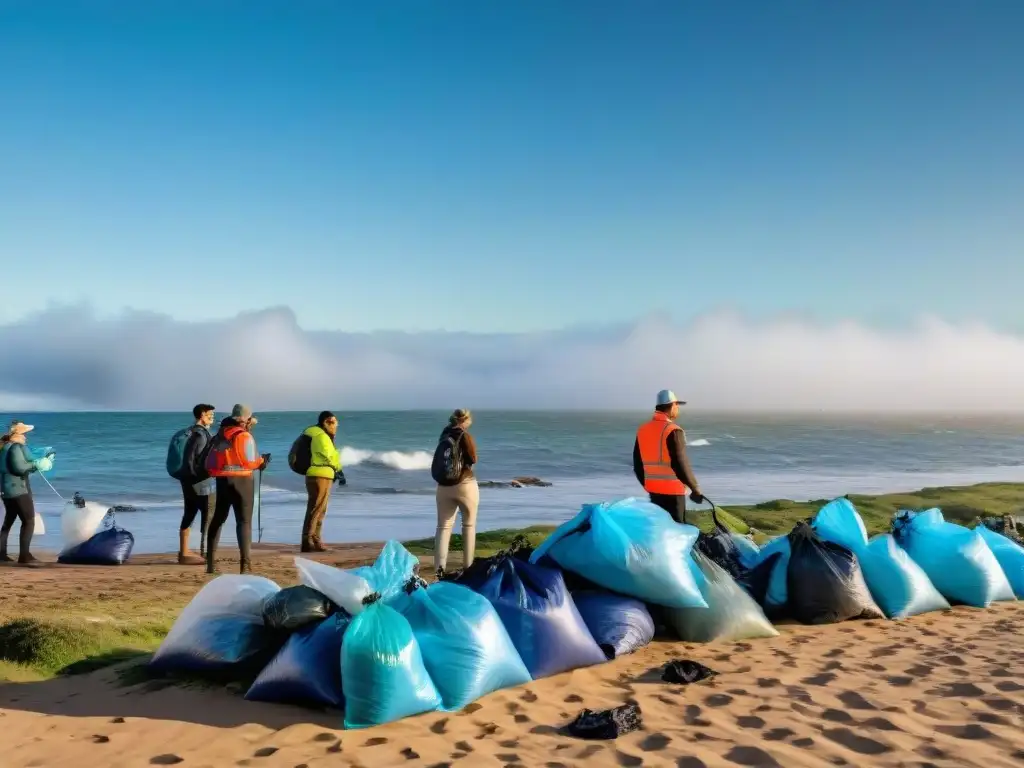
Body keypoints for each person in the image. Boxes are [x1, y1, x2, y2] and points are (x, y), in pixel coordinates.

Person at [204, 404, 270, 574]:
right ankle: (245, 565)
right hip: (242, 480)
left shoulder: (220, 433)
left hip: (222, 479)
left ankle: (210, 563)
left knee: (218, 519)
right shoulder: (244, 435)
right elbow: (250, 461)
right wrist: (262, 462)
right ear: (246, 420)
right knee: (244, 521)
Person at [633, 390, 703, 524]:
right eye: (677, 405)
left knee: (659, 531)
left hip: (654, 492)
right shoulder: (673, 430)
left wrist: (649, 485)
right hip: (674, 494)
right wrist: (695, 488)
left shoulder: (643, 430)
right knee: (676, 533)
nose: (678, 409)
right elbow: (680, 463)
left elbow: (637, 465)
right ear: (671, 406)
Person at [432, 408, 479, 577]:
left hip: (443, 486)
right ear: (465, 420)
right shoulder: (465, 435)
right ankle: (468, 568)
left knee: (443, 527)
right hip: (464, 484)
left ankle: (439, 571)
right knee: (468, 525)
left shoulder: (443, 435)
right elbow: (473, 459)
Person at [0, 421, 54, 565]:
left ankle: (1, 554)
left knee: (8, 520)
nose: (26, 437)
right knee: (28, 521)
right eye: (25, 434)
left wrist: (37, 462)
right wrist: (37, 465)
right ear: (19, 434)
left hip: (6, 490)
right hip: (18, 490)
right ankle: (24, 556)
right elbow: (18, 468)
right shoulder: (16, 447)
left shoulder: (4, 447)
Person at [176, 404, 216, 565]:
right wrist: (200, 478)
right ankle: (204, 552)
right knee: (209, 514)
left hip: (187, 480)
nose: (212, 418)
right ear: (202, 416)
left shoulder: (191, 431)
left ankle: (184, 552)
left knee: (190, 512)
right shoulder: (200, 435)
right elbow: (191, 459)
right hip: (200, 481)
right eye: (210, 415)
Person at [300, 410, 344, 553]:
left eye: (336, 422)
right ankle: (307, 541)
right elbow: (328, 455)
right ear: (325, 422)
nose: (335, 425)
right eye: (332, 422)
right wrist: (338, 468)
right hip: (319, 476)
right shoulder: (321, 435)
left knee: (320, 509)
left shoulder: (323, 435)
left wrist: (337, 470)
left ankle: (316, 539)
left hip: (323, 474)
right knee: (316, 508)